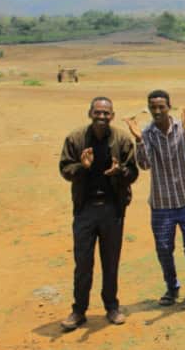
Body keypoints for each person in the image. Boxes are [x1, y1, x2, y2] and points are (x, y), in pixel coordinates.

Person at [59, 96, 139, 330]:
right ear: (90, 113)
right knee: (83, 262)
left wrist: (119, 171)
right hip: (85, 210)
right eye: (98, 112)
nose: (102, 117)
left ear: (112, 116)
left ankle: (112, 307)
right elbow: (64, 169)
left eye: (106, 113)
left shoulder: (122, 140)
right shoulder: (76, 139)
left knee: (110, 261)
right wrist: (81, 168)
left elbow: (133, 173)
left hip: (113, 210)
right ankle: (78, 310)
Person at [126, 90, 185, 307]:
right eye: (153, 107)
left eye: (161, 107)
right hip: (161, 205)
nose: (157, 111)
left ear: (169, 107)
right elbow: (144, 165)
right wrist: (139, 141)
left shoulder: (183, 128)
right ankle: (172, 288)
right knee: (164, 249)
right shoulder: (148, 134)